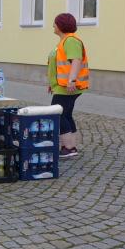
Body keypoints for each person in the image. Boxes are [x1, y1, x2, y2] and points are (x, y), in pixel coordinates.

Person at [48, 12, 90, 158]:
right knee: (65, 114)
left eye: (55, 23)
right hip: (62, 86)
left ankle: (69, 147)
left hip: (68, 87)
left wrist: (71, 80)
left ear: (60, 25)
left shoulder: (71, 40)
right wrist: (52, 84)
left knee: (57, 114)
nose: (53, 25)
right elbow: (60, 66)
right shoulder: (64, 41)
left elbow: (76, 61)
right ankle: (71, 146)